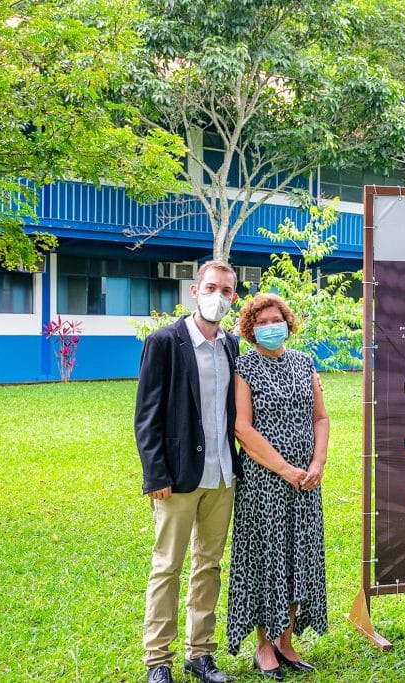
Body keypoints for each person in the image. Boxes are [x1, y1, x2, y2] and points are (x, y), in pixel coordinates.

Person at [135, 261, 240, 683]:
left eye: (227, 291)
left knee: (208, 567)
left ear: (234, 297)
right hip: (176, 478)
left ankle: (200, 655)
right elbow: (147, 415)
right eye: (211, 287)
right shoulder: (164, 342)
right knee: (167, 567)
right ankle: (158, 660)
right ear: (194, 291)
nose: (219, 296)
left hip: (222, 475)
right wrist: (155, 474)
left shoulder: (232, 346)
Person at [228, 293, 329, 678]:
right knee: (267, 559)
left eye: (276, 320)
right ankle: (264, 645)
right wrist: (286, 470)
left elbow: (321, 418)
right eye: (262, 322)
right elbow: (242, 427)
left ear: (288, 323)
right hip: (265, 481)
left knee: (297, 557)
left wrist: (317, 462)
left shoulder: (304, 363)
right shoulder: (245, 367)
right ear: (251, 330)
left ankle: (286, 641)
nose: (271, 326)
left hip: (307, 481)